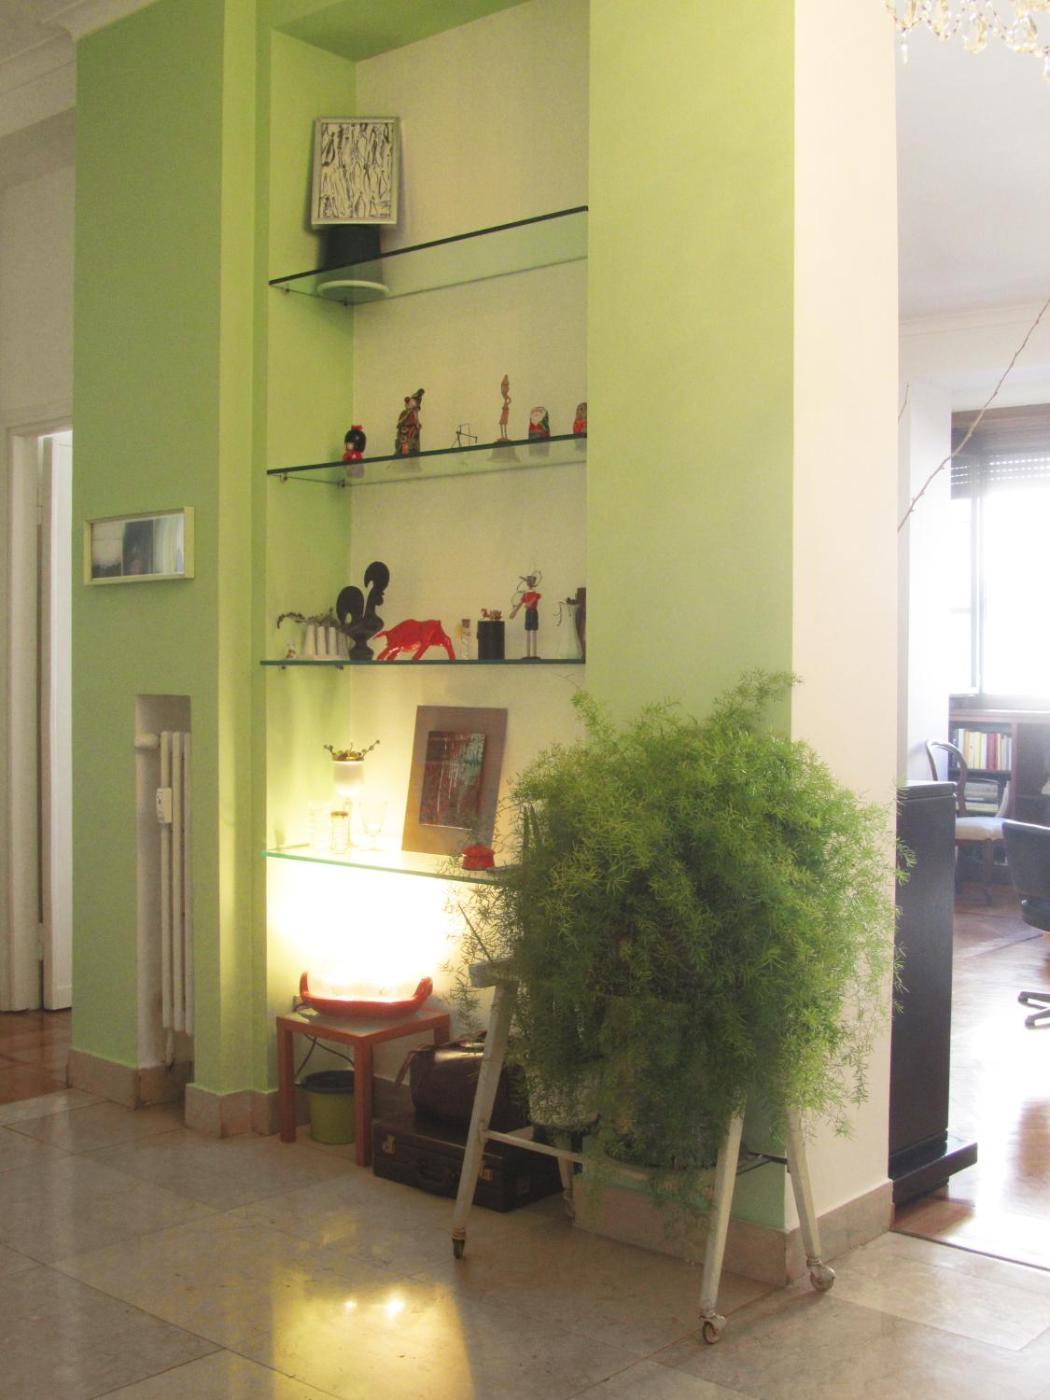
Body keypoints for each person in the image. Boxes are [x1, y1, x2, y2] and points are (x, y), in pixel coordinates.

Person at [509, 571, 542, 659]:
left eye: (530, 582)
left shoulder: (536, 594)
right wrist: (514, 612)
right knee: (527, 631)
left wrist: (529, 603)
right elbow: (520, 603)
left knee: (534, 631)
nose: (529, 584)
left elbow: (535, 598)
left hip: (533, 612)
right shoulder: (526, 594)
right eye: (528, 582)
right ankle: (528, 654)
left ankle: (534, 654)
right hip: (528, 613)